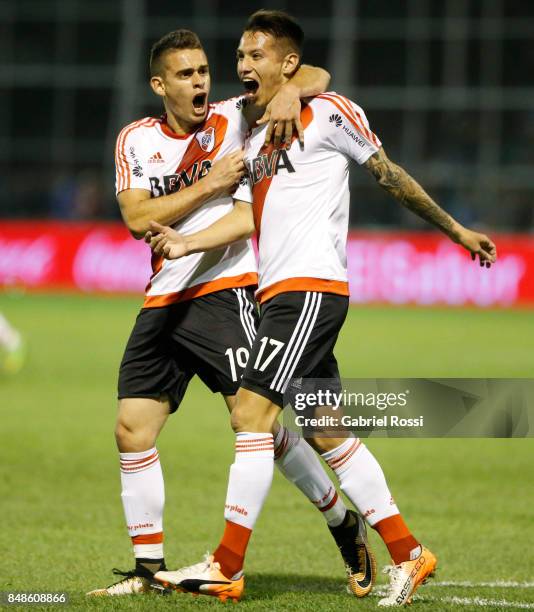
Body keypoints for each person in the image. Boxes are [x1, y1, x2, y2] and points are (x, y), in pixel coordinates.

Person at [148, 10, 497, 607]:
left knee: (252, 417)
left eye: (255, 56)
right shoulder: (250, 128)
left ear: (285, 63)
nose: (240, 66)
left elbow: (389, 175)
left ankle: (226, 566)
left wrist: (455, 229)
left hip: (311, 291)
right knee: (327, 430)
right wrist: (185, 240)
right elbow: (253, 215)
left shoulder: (331, 111)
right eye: (239, 55)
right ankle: (410, 553)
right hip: (280, 293)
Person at [88, 28, 374, 598]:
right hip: (165, 298)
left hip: (227, 289)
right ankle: (148, 574)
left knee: (258, 425)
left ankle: (344, 525)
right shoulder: (136, 140)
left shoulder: (235, 117)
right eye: (186, 74)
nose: (200, 81)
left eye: (202, 71)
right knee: (132, 429)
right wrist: (212, 184)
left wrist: (292, 92)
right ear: (159, 84)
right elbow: (137, 217)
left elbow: (314, 78)